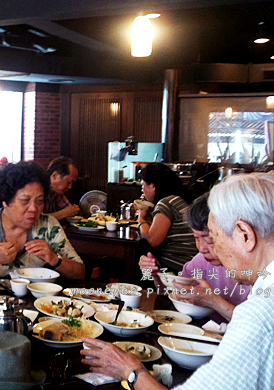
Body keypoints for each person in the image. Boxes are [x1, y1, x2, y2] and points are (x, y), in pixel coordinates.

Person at [82, 173, 274, 390]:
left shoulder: (259, 317)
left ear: (245, 235)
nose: (206, 249)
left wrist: (131, 371)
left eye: (214, 238)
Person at [0, 161, 85, 280]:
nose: (34, 208)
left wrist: (54, 259)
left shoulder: (49, 225)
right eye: (25, 200)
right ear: (5, 200)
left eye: (39, 201)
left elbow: (80, 272)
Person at [139, 193, 250, 321]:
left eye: (209, 240)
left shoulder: (253, 269)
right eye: (196, 238)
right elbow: (174, 293)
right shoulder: (201, 261)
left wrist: (214, 301)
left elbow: (259, 327)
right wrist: (157, 276)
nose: (201, 248)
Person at [136, 163, 197, 272]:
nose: (142, 191)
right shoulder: (178, 199)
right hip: (191, 262)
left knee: (139, 257)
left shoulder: (166, 203)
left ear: (153, 186)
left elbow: (153, 239)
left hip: (177, 266)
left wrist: (141, 216)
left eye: (143, 186)